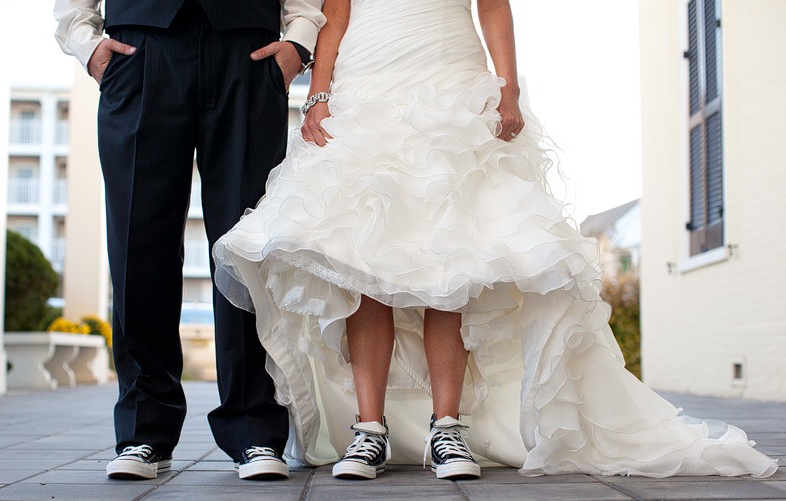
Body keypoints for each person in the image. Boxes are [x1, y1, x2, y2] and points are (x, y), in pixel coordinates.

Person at [215, 0, 778, 482]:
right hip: (368, 82)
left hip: (450, 79)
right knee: (363, 255)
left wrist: (505, 90)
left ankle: (447, 428)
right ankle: (369, 430)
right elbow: (335, 12)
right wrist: (317, 96)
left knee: (450, 254)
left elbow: (492, 4)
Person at [53, 0, 324, 481]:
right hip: (139, 52)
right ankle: (143, 430)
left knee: (245, 246)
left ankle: (255, 428)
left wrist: (298, 41)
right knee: (139, 244)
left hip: (249, 51)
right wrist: (87, 43)